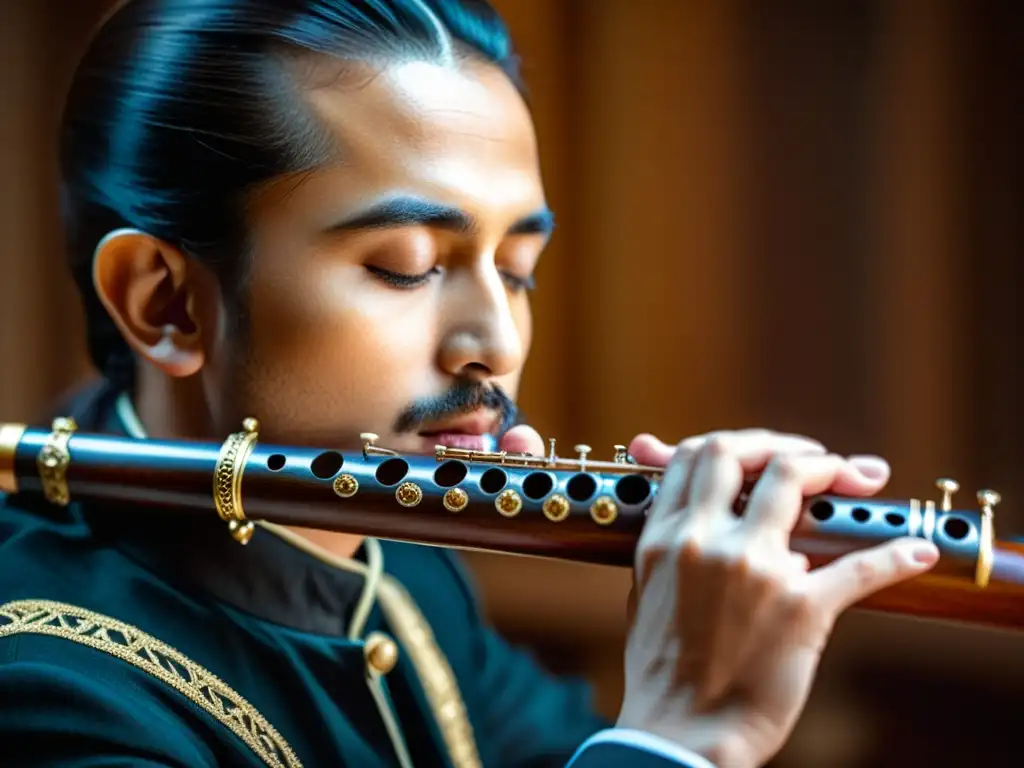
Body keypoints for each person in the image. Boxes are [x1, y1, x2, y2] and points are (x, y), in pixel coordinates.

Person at [0, 1, 940, 766]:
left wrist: (720, 626)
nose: (494, 342)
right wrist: (672, 738)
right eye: (407, 265)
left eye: (519, 267)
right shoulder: (52, 697)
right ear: (165, 303)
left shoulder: (397, 566)